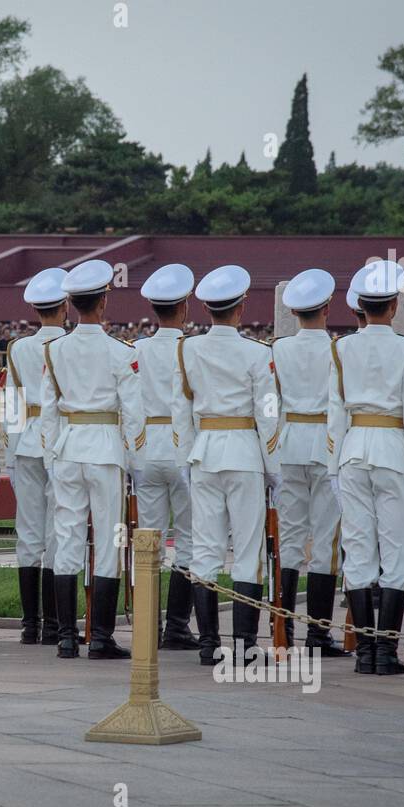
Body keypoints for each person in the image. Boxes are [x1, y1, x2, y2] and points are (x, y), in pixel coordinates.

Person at [173, 265, 280, 664]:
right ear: (241, 308)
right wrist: (274, 468)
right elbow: (268, 414)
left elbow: (179, 409)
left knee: (205, 549)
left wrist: (187, 457)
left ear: (205, 307)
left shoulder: (188, 349)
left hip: (204, 452)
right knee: (248, 550)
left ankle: (207, 645)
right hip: (244, 453)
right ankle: (245, 645)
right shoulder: (258, 353)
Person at [329, 261, 404, 676]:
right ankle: (384, 651)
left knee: (358, 549)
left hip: (352, 449)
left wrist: (334, 466)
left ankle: (366, 653)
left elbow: (334, 411)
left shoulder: (341, 348)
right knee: (398, 553)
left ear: (363, 306)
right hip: (392, 452)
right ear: (392, 306)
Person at [39, 259, 142, 659]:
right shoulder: (120, 351)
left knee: (66, 538)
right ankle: (100, 637)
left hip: (66, 447)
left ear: (73, 304)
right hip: (104, 449)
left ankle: (66, 637)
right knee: (109, 540)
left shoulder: (55, 349)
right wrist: (132, 458)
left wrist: (51, 456)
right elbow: (132, 413)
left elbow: (49, 410)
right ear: (102, 303)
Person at [271, 269, 348, 658]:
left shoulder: (278, 348)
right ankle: (318, 633)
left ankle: (282, 626)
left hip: (289, 445)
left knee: (289, 538)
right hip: (324, 444)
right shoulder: (336, 349)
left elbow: (272, 405)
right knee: (324, 543)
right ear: (328, 307)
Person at [134, 264, 199, 651]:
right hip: (183, 449)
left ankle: (147, 625)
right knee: (188, 539)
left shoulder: (137, 348)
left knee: (149, 540)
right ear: (185, 307)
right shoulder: (191, 348)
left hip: (146, 449)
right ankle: (177, 626)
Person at [3, 268, 68, 645]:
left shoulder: (20, 348)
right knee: (58, 532)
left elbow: (12, 405)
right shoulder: (67, 346)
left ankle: (31, 625)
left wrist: (11, 454)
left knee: (28, 533)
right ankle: (57, 625)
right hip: (60, 441)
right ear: (64, 308)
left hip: (27, 442)